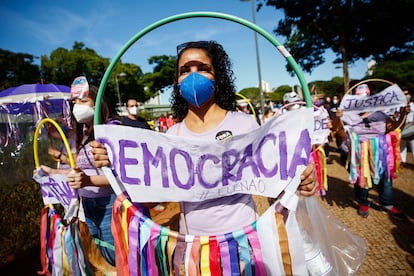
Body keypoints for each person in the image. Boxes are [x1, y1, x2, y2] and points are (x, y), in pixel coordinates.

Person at [92, 41, 316, 236]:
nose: (193, 75)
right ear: (177, 81)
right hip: (194, 247)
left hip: (244, 241)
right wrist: (117, 165)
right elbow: (152, 201)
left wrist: (299, 181)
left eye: (203, 68)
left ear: (217, 77)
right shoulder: (172, 135)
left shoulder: (244, 124)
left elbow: (274, 185)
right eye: (185, 70)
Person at [36, 76, 121, 266]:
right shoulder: (83, 136)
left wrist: (88, 181)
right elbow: (80, 173)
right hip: (88, 206)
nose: (77, 106)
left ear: (98, 102)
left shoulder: (112, 129)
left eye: (84, 101)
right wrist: (51, 172)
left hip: (109, 205)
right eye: (74, 102)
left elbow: (121, 177)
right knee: (106, 254)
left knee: (119, 256)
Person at [337, 83, 406, 219]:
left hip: (380, 150)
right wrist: (338, 117)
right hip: (359, 151)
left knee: (385, 177)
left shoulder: (381, 113)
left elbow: (393, 128)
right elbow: (337, 131)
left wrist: (404, 113)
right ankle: (363, 202)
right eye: (359, 101)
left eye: (366, 99)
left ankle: (387, 203)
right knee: (362, 177)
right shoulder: (348, 114)